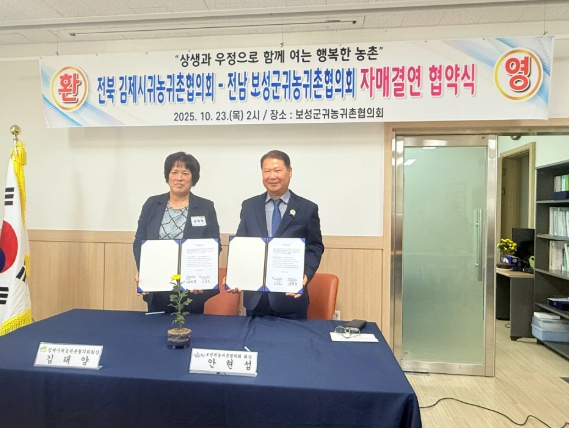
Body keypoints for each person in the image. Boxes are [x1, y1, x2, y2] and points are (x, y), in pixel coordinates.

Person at [229, 150, 324, 319]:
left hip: (290, 298)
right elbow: (241, 244)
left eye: (277, 170)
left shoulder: (307, 208)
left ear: (290, 172)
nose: (272, 176)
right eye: (267, 171)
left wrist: (305, 274)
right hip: (255, 299)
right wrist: (235, 276)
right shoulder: (249, 206)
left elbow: (314, 246)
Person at [133, 152, 220, 314]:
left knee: (190, 327)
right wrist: (144, 270)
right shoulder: (152, 204)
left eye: (185, 173)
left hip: (192, 289)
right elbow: (139, 241)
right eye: (174, 172)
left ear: (193, 178)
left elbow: (214, 245)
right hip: (157, 286)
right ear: (167, 176)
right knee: (156, 327)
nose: (179, 178)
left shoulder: (205, 207)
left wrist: (202, 275)